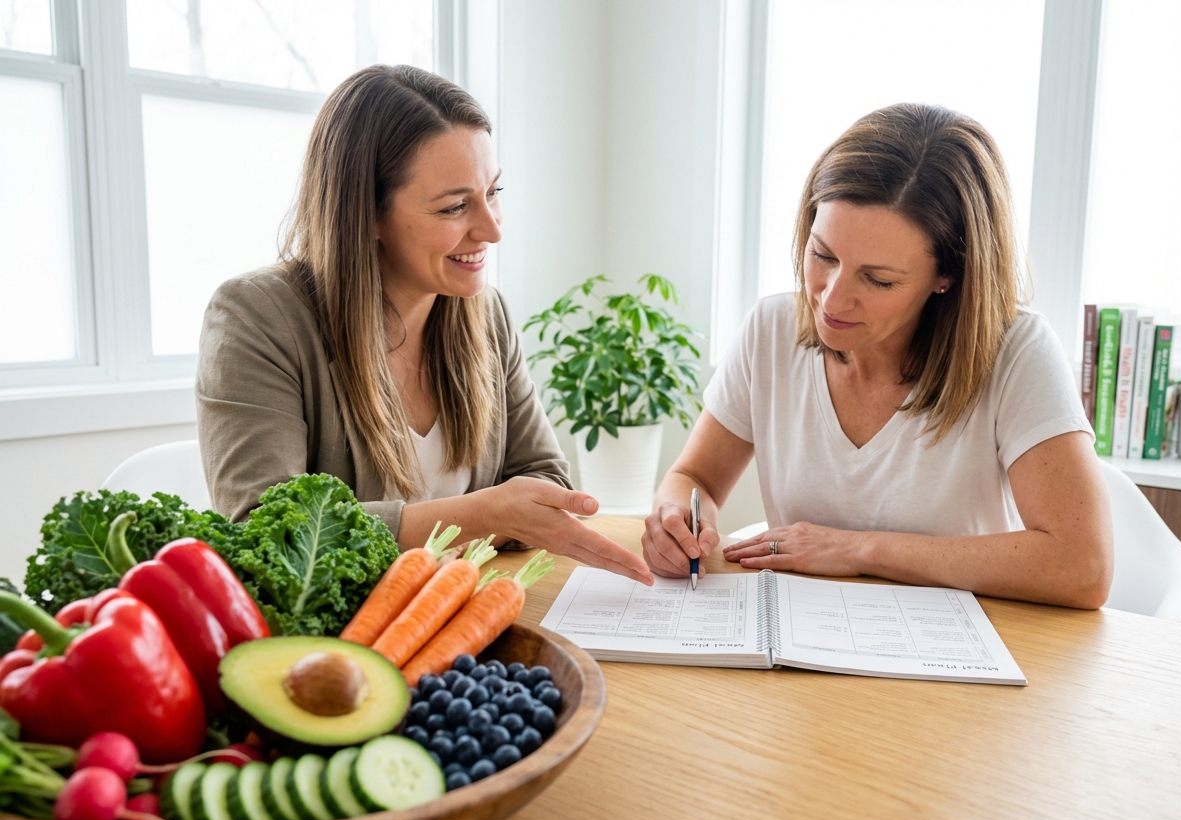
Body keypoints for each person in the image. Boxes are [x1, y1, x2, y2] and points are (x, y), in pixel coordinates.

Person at [642, 103, 1112, 609]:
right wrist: (675, 517)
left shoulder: (1016, 352)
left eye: (878, 280)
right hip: (800, 633)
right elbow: (694, 479)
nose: (831, 299)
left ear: (948, 277)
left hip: (962, 643)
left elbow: (1081, 567)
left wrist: (858, 550)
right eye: (823, 255)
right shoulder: (772, 328)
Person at [197, 65, 652, 585]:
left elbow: (543, 479)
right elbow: (263, 531)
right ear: (367, 214)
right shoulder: (257, 317)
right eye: (455, 206)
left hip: (463, 609)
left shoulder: (487, 315)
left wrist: (500, 515)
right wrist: (486, 515)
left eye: (494, 191)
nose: (492, 230)